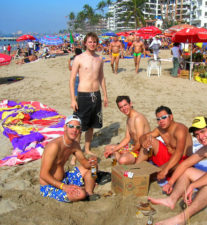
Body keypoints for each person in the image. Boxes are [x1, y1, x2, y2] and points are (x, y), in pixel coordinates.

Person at [39, 115, 100, 202]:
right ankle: (85, 189)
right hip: (50, 186)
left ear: (80, 131)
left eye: (77, 127)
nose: (74, 130)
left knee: (94, 167)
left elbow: (85, 164)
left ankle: (89, 192)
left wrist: (91, 162)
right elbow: (43, 175)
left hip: (65, 179)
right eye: (71, 126)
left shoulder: (74, 145)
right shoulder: (54, 146)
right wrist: (64, 187)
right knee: (81, 194)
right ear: (65, 127)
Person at [70, 32, 108, 165]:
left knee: (91, 125)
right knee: (79, 127)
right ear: (85, 43)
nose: (92, 44)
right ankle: (76, 152)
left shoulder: (100, 59)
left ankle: (87, 148)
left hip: (96, 95)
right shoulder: (79, 58)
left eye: (94, 42)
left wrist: (105, 95)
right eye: (90, 42)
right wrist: (73, 99)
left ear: (97, 43)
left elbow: (101, 78)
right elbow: (72, 78)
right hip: (83, 95)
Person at [139, 106, 193, 180]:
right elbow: (143, 136)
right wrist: (143, 142)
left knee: (153, 174)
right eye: (158, 119)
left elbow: (179, 153)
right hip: (168, 157)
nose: (161, 121)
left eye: (164, 117)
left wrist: (166, 169)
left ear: (171, 117)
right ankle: (135, 168)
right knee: (149, 140)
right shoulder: (160, 129)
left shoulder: (180, 129)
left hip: (181, 160)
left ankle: (139, 178)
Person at [104, 96, 150, 164]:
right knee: (108, 148)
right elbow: (127, 138)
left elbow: (140, 142)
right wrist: (114, 149)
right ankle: (120, 156)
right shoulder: (129, 118)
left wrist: (129, 151)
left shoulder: (138, 119)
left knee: (122, 160)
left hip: (142, 150)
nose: (124, 108)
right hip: (134, 146)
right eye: (121, 107)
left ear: (130, 103)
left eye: (125, 105)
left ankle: (121, 158)